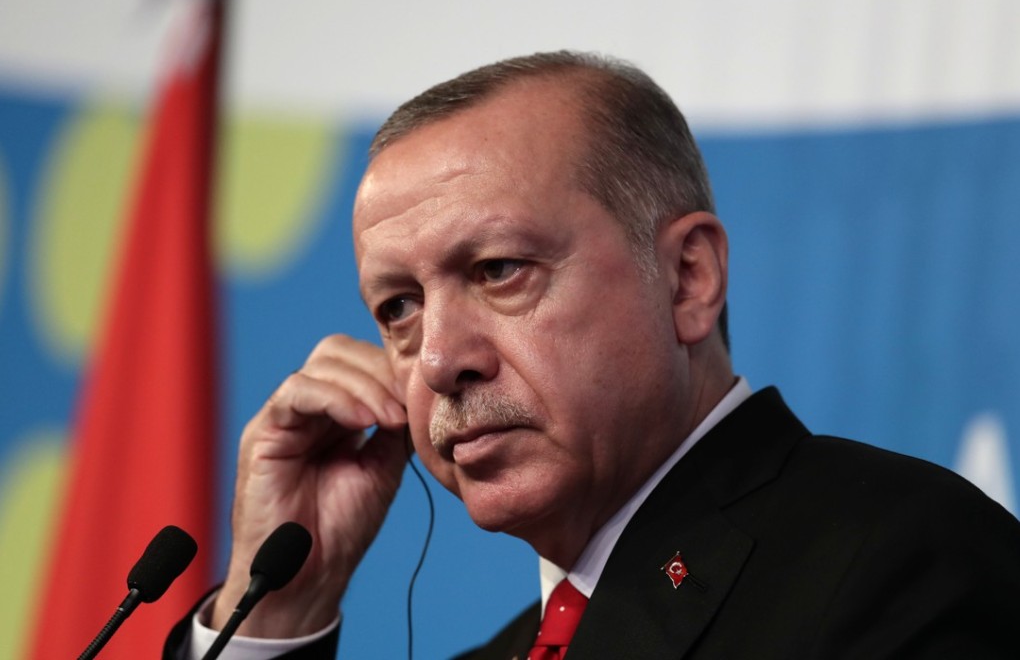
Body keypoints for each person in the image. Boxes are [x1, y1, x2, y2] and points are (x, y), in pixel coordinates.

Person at [169, 51, 1020, 659]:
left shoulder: (900, 561)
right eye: (399, 307)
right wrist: (278, 609)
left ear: (688, 278)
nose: (438, 359)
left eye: (499, 270)